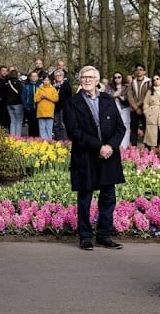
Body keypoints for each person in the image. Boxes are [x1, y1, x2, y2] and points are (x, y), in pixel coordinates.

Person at [64, 65, 125, 251]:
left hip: (109, 156)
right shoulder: (72, 103)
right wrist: (98, 147)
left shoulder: (108, 99)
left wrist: (109, 147)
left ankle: (104, 236)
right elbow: (74, 132)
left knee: (108, 197)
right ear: (80, 81)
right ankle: (85, 237)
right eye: (84, 77)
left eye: (91, 77)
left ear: (97, 81)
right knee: (85, 198)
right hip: (85, 155)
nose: (87, 80)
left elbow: (120, 128)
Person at [126, 63, 149, 146]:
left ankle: (148, 147)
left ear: (144, 72)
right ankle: (133, 147)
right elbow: (129, 96)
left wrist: (139, 106)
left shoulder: (148, 82)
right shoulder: (132, 83)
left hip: (145, 109)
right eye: (137, 70)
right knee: (133, 128)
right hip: (134, 109)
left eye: (140, 70)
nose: (138, 71)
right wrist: (135, 108)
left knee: (147, 128)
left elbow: (146, 96)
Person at [108, 72, 131, 148]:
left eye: (119, 77)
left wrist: (120, 97)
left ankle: (124, 146)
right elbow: (106, 98)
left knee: (125, 126)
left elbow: (129, 99)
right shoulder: (109, 88)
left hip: (124, 109)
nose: (117, 79)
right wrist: (114, 95)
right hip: (114, 109)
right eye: (115, 77)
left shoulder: (127, 87)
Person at [33, 73, 59, 139]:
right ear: (42, 81)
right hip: (41, 112)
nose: (46, 82)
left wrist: (47, 96)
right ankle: (43, 142)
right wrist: (41, 97)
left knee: (49, 128)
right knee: (42, 128)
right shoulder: (39, 89)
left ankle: (49, 141)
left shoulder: (53, 89)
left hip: (49, 112)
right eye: (45, 80)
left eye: (47, 80)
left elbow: (56, 99)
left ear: (50, 81)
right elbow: (35, 99)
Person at [1, 69, 25, 136]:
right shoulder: (18, 82)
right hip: (17, 103)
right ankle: (17, 137)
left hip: (9, 104)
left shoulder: (7, 83)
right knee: (19, 121)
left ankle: (12, 136)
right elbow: (21, 92)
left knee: (13, 121)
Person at [51, 69, 72, 141]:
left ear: (63, 76)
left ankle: (64, 140)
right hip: (55, 107)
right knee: (56, 124)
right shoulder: (52, 86)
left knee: (63, 124)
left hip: (63, 107)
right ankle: (58, 139)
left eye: (60, 75)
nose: (58, 77)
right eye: (57, 75)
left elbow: (69, 97)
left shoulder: (66, 85)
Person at [21, 71, 41, 137]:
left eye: (35, 76)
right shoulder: (26, 87)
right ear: (30, 77)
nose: (34, 78)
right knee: (31, 124)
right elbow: (23, 98)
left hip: (39, 109)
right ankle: (31, 138)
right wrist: (27, 107)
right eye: (32, 76)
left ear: (37, 77)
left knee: (37, 125)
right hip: (30, 108)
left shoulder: (40, 87)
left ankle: (37, 139)